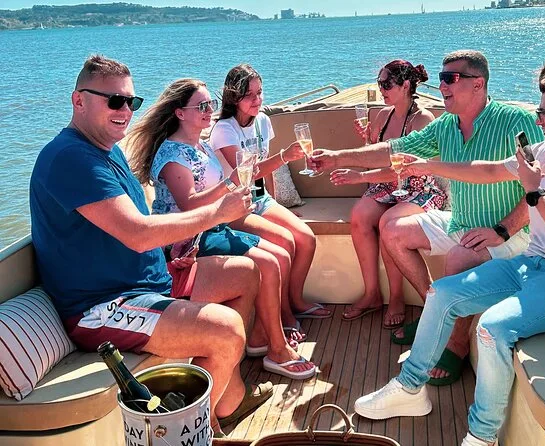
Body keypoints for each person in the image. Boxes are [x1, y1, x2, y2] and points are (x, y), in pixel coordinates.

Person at [354, 58, 545, 446]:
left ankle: (482, 436)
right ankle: (410, 388)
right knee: (443, 292)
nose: (537, 119)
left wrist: (535, 191)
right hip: (534, 265)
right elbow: (487, 171)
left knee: (491, 329)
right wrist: (424, 165)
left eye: (544, 111)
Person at [29, 55, 271, 440]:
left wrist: (170, 252)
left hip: (150, 281)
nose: (125, 110)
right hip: (104, 305)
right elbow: (137, 233)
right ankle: (197, 431)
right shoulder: (70, 158)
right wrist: (216, 213)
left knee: (245, 273)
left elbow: (133, 231)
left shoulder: (108, 150)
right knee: (226, 330)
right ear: (78, 101)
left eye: (131, 101)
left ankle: (221, 402)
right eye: (114, 101)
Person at [311, 50, 543, 385]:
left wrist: (503, 230)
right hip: (460, 222)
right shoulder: (445, 126)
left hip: (509, 233)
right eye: (441, 78)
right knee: (392, 229)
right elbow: (393, 150)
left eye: (451, 78)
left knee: (460, 256)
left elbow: (540, 184)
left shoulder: (516, 121)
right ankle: (436, 314)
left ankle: (456, 344)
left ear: (478, 84)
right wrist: (336, 157)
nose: (442, 85)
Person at [126, 78, 316, 380]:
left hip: (211, 228)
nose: (208, 110)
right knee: (268, 262)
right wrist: (231, 184)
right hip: (185, 240)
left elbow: (225, 184)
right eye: (201, 106)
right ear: (179, 113)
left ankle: (259, 338)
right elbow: (189, 204)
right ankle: (278, 351)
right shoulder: (172, 155)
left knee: (279, 255)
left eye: (210, 104)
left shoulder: (200, 144)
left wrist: (240, 186)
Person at [209, 64, 332, 337]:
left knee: (306, 238)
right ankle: (284, 314)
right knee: (285, 243)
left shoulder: (263, 121)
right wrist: (285, 156)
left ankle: (296, 301)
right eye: (249, 95)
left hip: (260, 199)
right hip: (235, 207)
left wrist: (278, 205)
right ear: (234, 97)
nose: (257, 100)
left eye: (260, 93)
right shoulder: (224, 130)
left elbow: (266, 172)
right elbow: (246, 174)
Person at [329, 59, 446, 329]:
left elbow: (404, 169)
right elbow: (379, 156)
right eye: (379, 84)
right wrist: (367, 140)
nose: (381, 89)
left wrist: (359, 177)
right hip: (389, 185)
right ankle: (371, 293)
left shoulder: (423, 120)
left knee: (386, 222)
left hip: (419, 186)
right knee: (359, 216)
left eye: (386, 84)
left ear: (405, 86)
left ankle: (396, 298)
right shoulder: (383, 115)